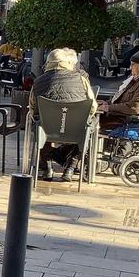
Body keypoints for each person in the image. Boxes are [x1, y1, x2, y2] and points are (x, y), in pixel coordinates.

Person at [30, 48, 96, 182]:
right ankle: (70, 168)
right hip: (75, 130)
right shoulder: (81, 79)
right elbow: (92, 106)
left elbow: (32, 107)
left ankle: (47, 167)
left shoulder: (39, 81)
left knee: (39, 122)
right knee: (87, 124)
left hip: (47, 130)